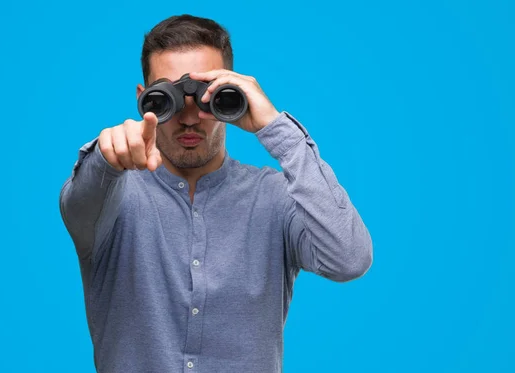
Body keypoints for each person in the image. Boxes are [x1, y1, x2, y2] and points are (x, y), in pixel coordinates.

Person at [59, 14, 373, 373]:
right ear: (143, 99)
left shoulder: (274, 196)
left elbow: (349, 259)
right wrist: (105, 157)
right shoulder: (112, 198)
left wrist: (276, 128)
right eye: (168, 97)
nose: (189, 117)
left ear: (234, 95)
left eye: (208, 96)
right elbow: (78, 201)